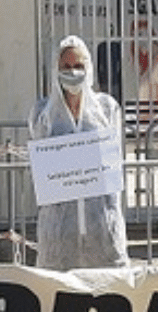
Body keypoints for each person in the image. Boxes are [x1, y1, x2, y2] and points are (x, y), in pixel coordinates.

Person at [28, 35, 129, 271]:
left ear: (89, 68)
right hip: (59, 230)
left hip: (102, 226)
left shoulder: (106, 108)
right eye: (66, 67)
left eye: (78, 66)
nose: (72, 73)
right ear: (55, 70)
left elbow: (113, 160)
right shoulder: (43, 114)